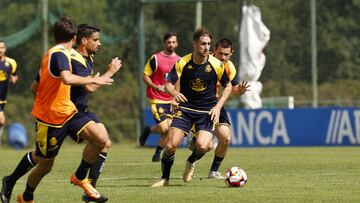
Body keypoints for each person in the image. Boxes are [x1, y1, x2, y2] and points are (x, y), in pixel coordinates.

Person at [0, 17, 120, 203]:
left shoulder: (59, 53)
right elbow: (67, 79)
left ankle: (81, 177)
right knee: (45, 164)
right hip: (50, 119)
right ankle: (20, 190)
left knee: (102, 139)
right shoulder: (59, 55)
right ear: (75, 38)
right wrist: (98, 79)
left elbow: (35, 86)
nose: (99, 43)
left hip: (68, 112)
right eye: (96, 39)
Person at [151, 27, 232, 187]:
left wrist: (217, 107)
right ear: (194, 44)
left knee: (203, 146)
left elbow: (228, 86)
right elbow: (167, 84)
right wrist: (174, 93)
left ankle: (191, 160)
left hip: (207, 112)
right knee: (171, 144)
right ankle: (164, 179)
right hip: (186, 110)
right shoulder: (182, 62)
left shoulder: (216, 64)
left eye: (209, 44)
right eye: (203, 44)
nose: (207, 47)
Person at [205, 38, 250, 179]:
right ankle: (193, 152)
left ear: (231, 53)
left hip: (215, 105)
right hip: (196, 105)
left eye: (226, 54)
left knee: (225, 138)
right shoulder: (203, 62)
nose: (223, 57)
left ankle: (213, 171)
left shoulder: (229, 67)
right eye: (220, 54)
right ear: (214, 51)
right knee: (204, 146)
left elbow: (234, 89)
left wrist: (240, 90)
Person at [138, 32, 180, 162]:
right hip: (157, 98)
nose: (171, 44)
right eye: (169, 42)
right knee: (164, 127)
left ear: (177, 43)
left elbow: (179, 81)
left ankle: (157, 153)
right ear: (164, 43)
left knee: (170, 129)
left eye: (173, 42)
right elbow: (145, 75)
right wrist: (155, 87)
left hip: (171, 100)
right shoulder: (155, 58)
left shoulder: (179, 60)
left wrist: (176, 96)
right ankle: (149, 130)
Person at [0, 40, 18, 145]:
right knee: (1, 120)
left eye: (2, 47)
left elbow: (14, 75)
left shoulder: (11, 63)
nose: (0, 50)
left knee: (0, 123)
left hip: (3, 98)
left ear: (5, 49)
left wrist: (14, 78)